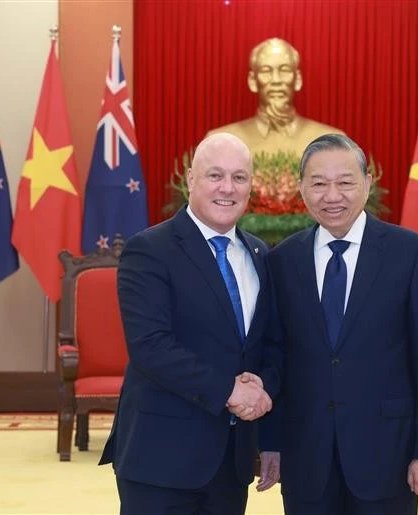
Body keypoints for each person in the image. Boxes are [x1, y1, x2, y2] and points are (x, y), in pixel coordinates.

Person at [263, 134, 418, 514]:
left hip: (387, 454)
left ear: (367, 183)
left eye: (345, 182)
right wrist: (270, 443)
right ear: (301, 189)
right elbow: (275, 354)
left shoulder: (409, 253)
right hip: (305, 457)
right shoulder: (282, 260)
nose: (332, 196)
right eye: (318, 183)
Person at [99, 133, 282, 515]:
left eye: (239, 177)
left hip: (231, 462)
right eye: (215, 175)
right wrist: (230, 391)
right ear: (190, 179)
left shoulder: (260, 254)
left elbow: (270, 345)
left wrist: (264, 394)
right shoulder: (149, 250)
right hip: (160, 458)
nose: (227, 188)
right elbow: (150, 346)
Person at [207, 37, 344, 156]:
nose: (276, 80)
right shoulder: (219, 141)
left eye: (285, 70)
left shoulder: (331, 142)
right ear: (253, 81)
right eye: (266, 71)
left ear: (297, 80)